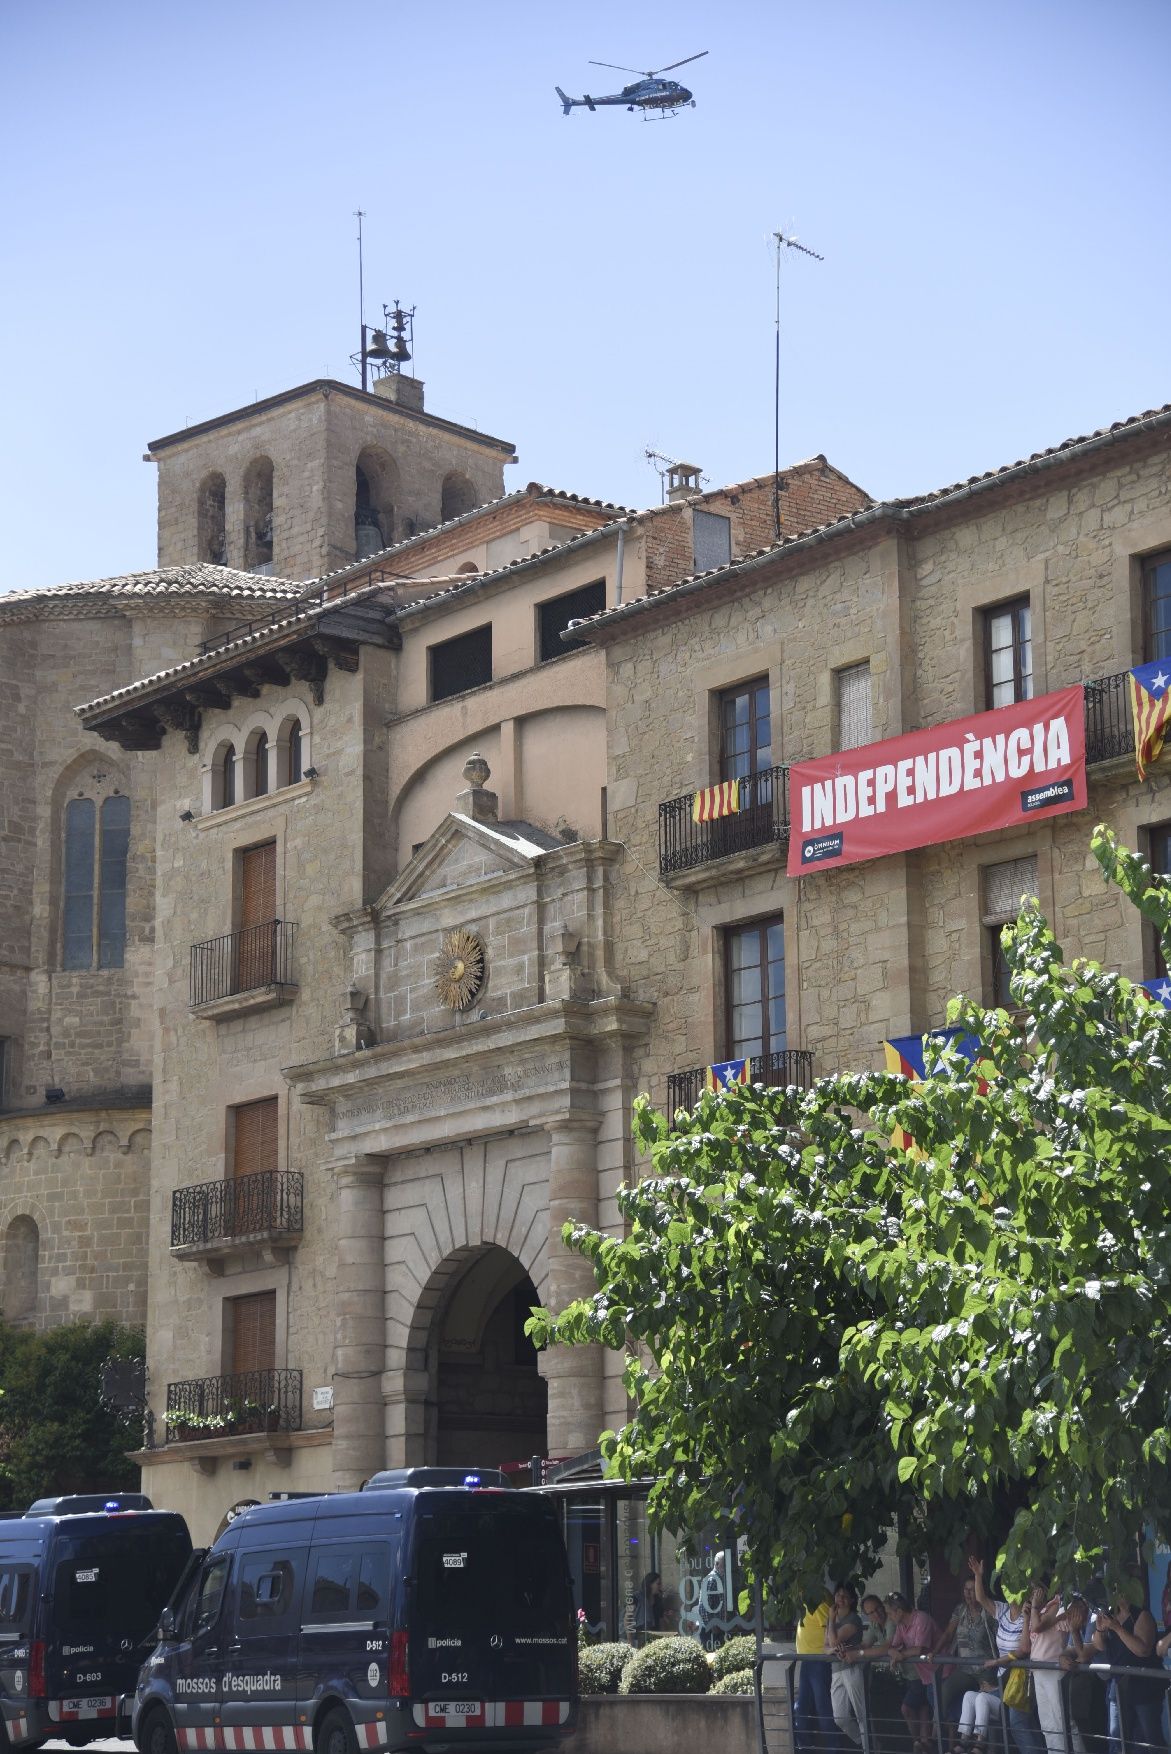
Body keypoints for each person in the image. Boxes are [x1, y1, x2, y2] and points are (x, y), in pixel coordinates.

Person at [968, 1554, 1046, 1754]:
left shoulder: (1029, 1614)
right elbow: (981, 1598)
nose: (1009, 1590)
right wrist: (978, 1575)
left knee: (1018, 1723)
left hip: (1022, 1677)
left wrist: (997, 1661)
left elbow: (1024, 1649)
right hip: (1005, 1677)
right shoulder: (1002, 1610)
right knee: (1018, 1724)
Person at [862, 1590, 940, 1754]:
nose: (887, 1615)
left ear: (898, 1611)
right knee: (925, 1709)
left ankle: (923, 1743)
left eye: (888, 1612)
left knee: (930, 1711)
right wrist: (893, 1654)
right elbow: (893, 1646)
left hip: (936, 1673)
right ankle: (923, 1744)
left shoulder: (920, 1619)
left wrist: (900, 1655)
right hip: (920, 1675)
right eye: (870, 1612)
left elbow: (919, 1648)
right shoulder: (900, 1625)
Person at [1088, 1592, 1165, 1754]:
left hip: (1145, 1689)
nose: (1116, 1594)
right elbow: (1099, 1646)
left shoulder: (1141, 1614)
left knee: (1149, 1740)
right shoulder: (1110, 1613)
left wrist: (1117, 1628)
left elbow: (1143, 1650)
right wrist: (1100, 1629)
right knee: (1117, 1737)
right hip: (1119, 1686)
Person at [937, 1575, 998, 1748]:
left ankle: (988, 1747)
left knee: (986, 1704)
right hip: (965, 1668)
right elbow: (948, 1634)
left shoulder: (990, 1611)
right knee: (944, 1691)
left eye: (972, 1589)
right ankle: (940, 1740)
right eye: (966, 1589)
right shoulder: (960, 1610)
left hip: (986, 1667)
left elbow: (1001, 1638)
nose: (969, 1593)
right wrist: (934, 1653)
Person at [795, 1587, 836, 1754]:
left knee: (823, 1709)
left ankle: (835, 1749)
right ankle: (804, 1749)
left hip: (819, 1661)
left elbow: (830, 1624)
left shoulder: (817, 1599)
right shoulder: (807, 1600)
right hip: (808, 1661)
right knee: (801, 1709)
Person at [828, 1582, 867, 1749]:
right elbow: (825, 1646)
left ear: (852, 1600)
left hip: (852, 1668)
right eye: (838, 1595)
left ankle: (868, 1748)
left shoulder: (854, 1619)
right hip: (836, 1671)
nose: (840, 1599)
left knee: (861, 1714)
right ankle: (864, 1742)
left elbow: (834, 1641)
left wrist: (830, 1620)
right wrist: (831, 1650)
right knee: (840, 1718)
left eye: (844, 1596)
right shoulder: (832, 1620)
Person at [699, 1551, 728, 1650]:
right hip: (711, 1630)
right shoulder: (712, 1579)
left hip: (719, 1628)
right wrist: (712, 1625)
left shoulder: (722, 1578)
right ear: (717, 1564)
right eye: (725, 1564)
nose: (726, 1567)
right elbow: (703, 1607)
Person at [633, 1570, 662, 1638]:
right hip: (638, 1636)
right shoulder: (637, 1597)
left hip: (653, 1636)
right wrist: (630, 1641)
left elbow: (660, 1620)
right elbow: (627, 1619)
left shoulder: (658, 1600)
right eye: (658, 1584)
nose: (660, 1586)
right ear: (650, 1584)